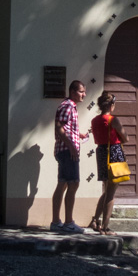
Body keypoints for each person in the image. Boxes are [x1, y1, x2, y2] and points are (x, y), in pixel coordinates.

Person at [51, 79, 90, 233]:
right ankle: (68, 223)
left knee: (63, 184)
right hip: (67, 152)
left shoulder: (70, 107)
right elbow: (59, 127)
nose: (84, 95)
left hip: (66, 150)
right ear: (73, 92)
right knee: (73, 183)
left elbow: (65, 128)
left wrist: (78, 135)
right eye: (81, 91)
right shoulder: (67, 106)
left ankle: (56, 222)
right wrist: (71, 146)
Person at [89, 91, 129, 234]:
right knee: (111, 193)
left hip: (101, 153)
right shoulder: (113, 120)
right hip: (114, 153)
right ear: (112, 105)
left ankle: (95, 220)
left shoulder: (94, 120)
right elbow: (126, 138)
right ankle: (105, 227)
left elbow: (96, 139)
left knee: (106, 190)